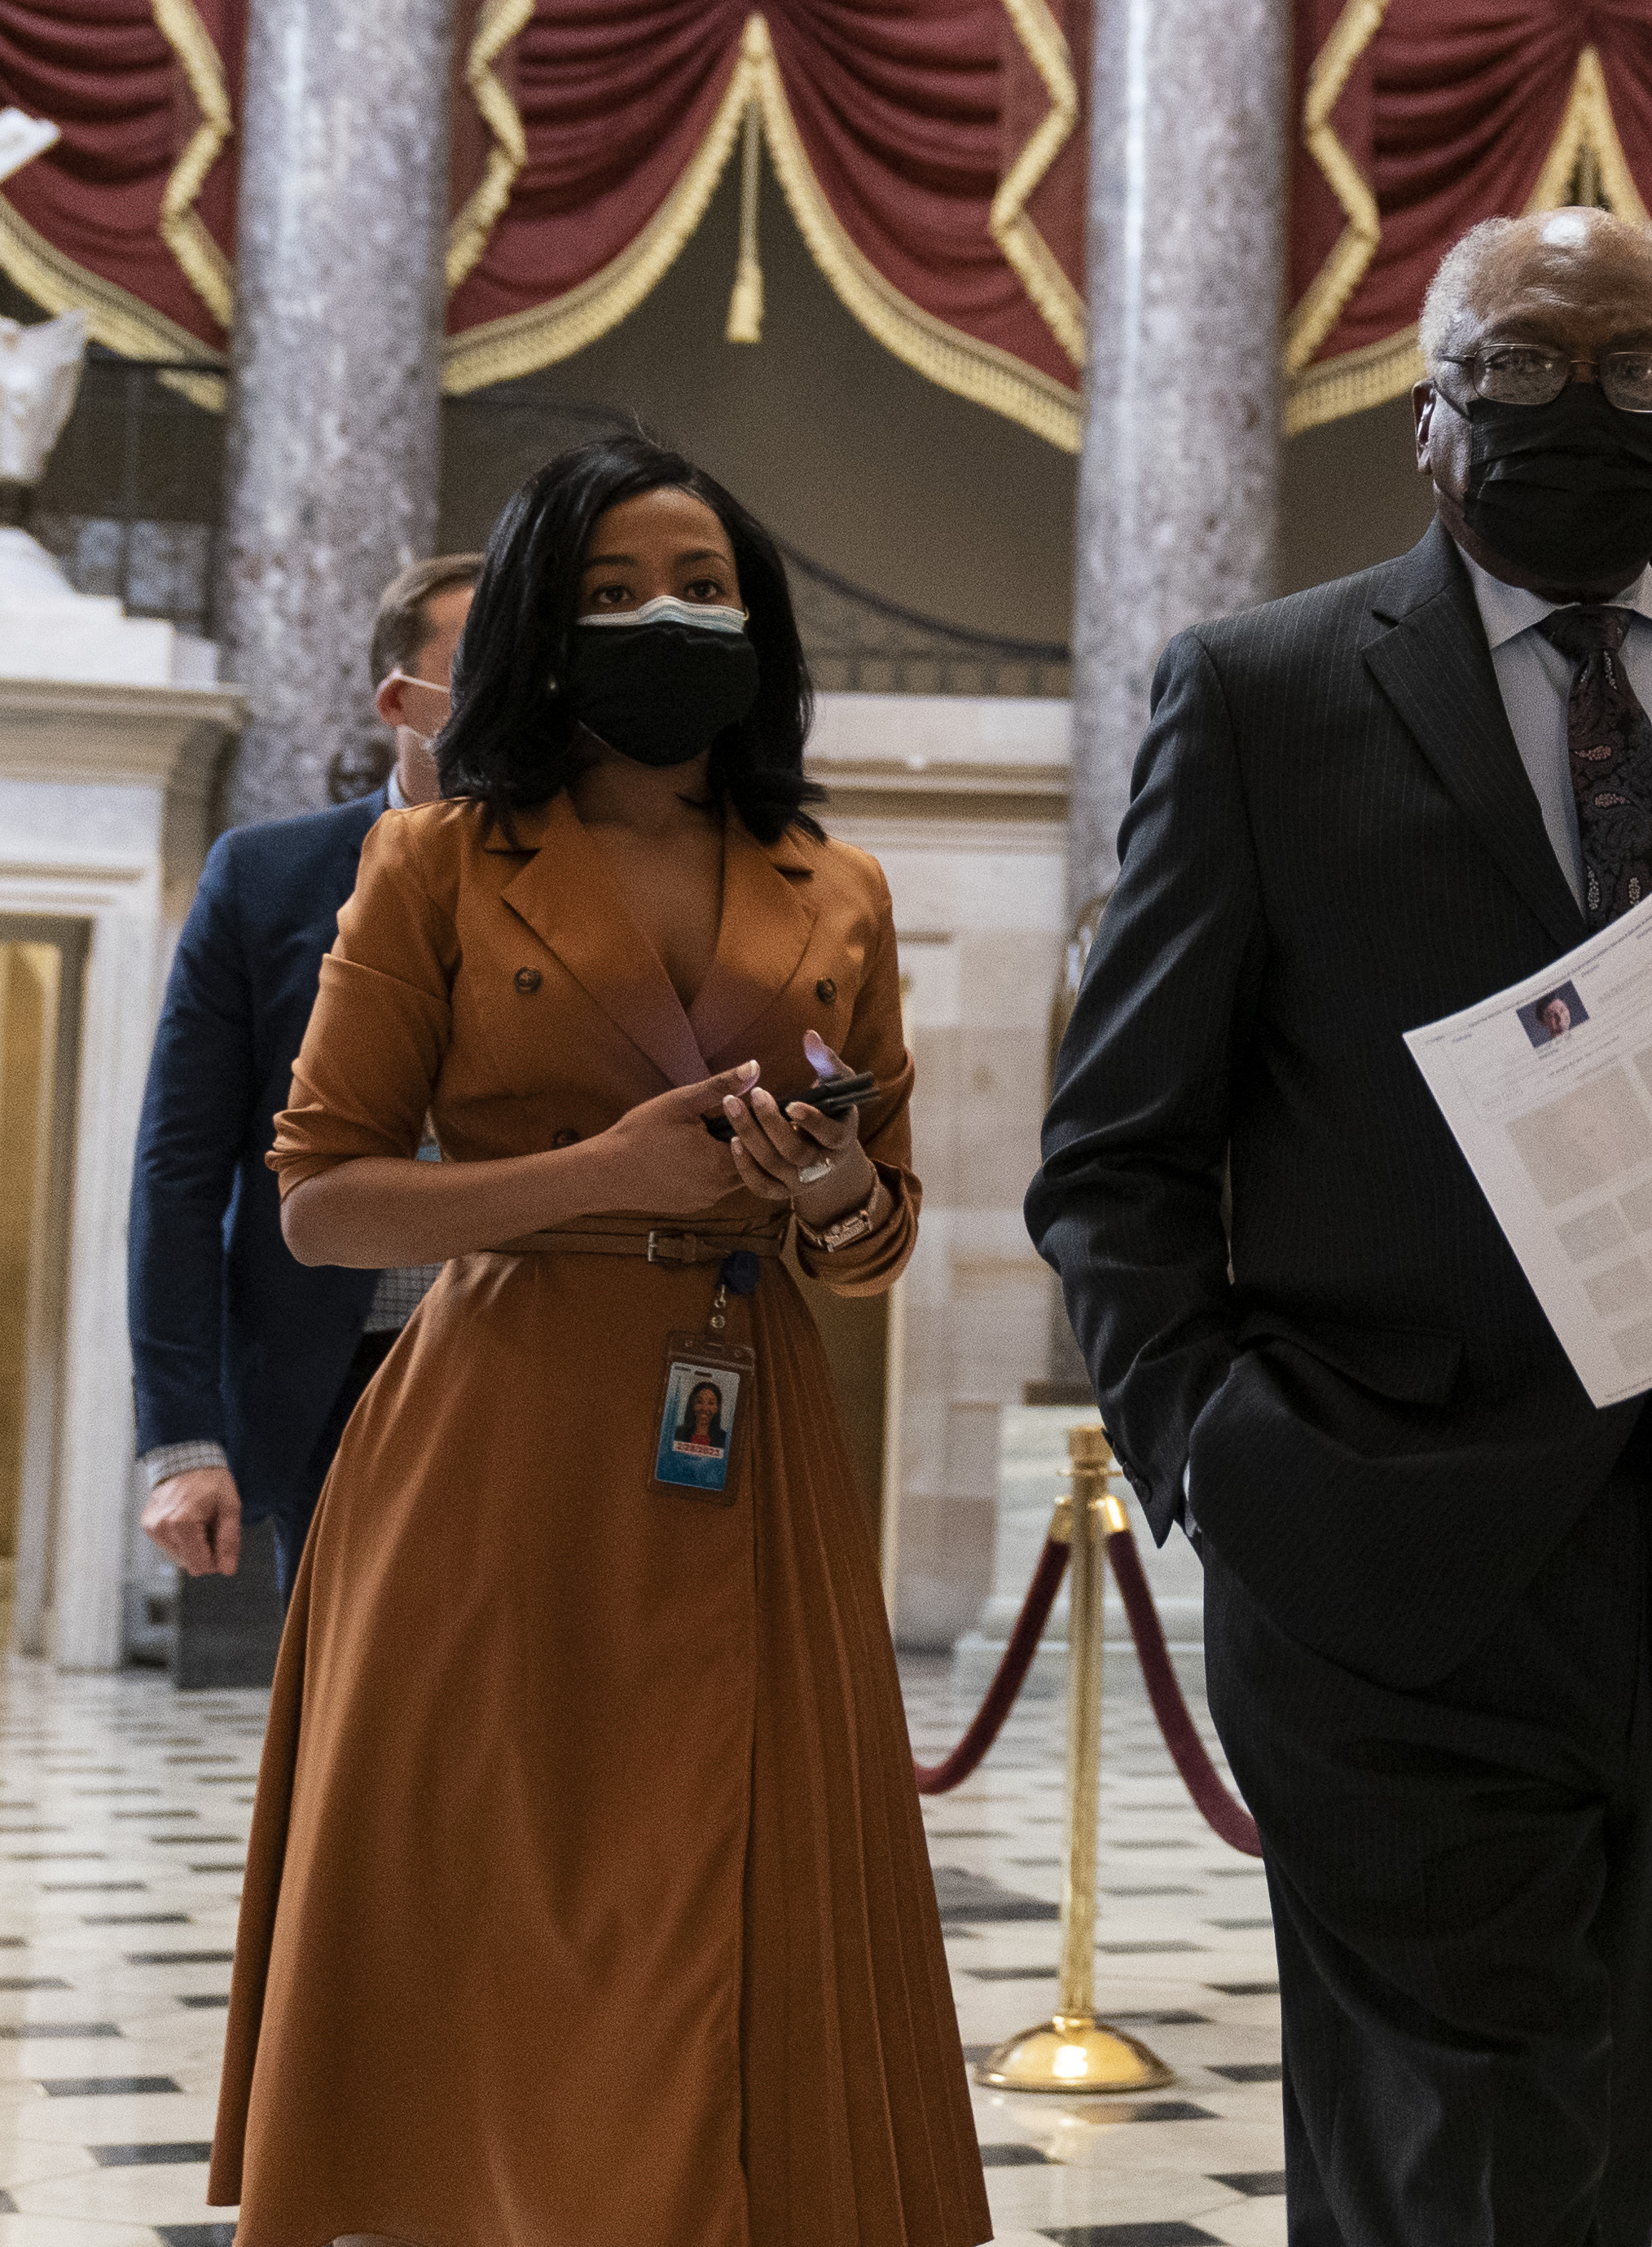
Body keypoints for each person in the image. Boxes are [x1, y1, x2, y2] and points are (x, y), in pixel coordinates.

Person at [1033, 206, 1652, 2247]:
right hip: (1375, 1534)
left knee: (1575, 2160)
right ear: (1428, 414)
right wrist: (1215, 1446)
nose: (1587, 408)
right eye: (1526, 367)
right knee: (1462, 2149)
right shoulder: (1262, 693)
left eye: (1639, 370)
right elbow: (1118, 1148)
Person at [212, 437, 986, 2247]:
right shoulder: (432, 863)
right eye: (616, 590)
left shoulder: (838, 881)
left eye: (702, 583)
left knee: (720, 1899)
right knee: (499, 1905)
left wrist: (820, 1197)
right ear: (543, 635)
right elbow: (321, 1197)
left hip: (749, 1430)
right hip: (498, 1432)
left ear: (761, 619)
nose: (666, 616)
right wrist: (597, 1174)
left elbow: (879, 1230)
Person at [129, 550, 480, 1585]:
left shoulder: (594, 881)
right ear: (400, 699)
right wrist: (184, 1440)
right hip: (331, 1379)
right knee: (342, 1716)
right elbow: (178, 1171)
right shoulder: (265, 877)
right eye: (482, 663)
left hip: (526, 1357)